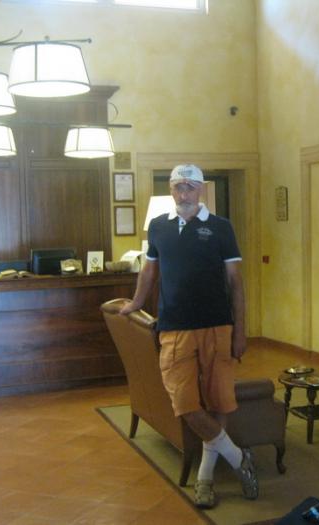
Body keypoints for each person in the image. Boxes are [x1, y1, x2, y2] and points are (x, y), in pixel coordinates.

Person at [120, 164, 255, 509]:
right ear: (171, 189)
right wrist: (136, 302)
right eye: (178, 187)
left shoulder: (221, 227)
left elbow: (235, 283)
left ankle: (205, 479)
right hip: (174, 328)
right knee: (185, 404)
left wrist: (240, 331)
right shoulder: (158, 226)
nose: (184, 193)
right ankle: (238, 458)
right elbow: (149, 271)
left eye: (190, 187)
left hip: (217, 327)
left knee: (218, 401)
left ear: (201, 189)